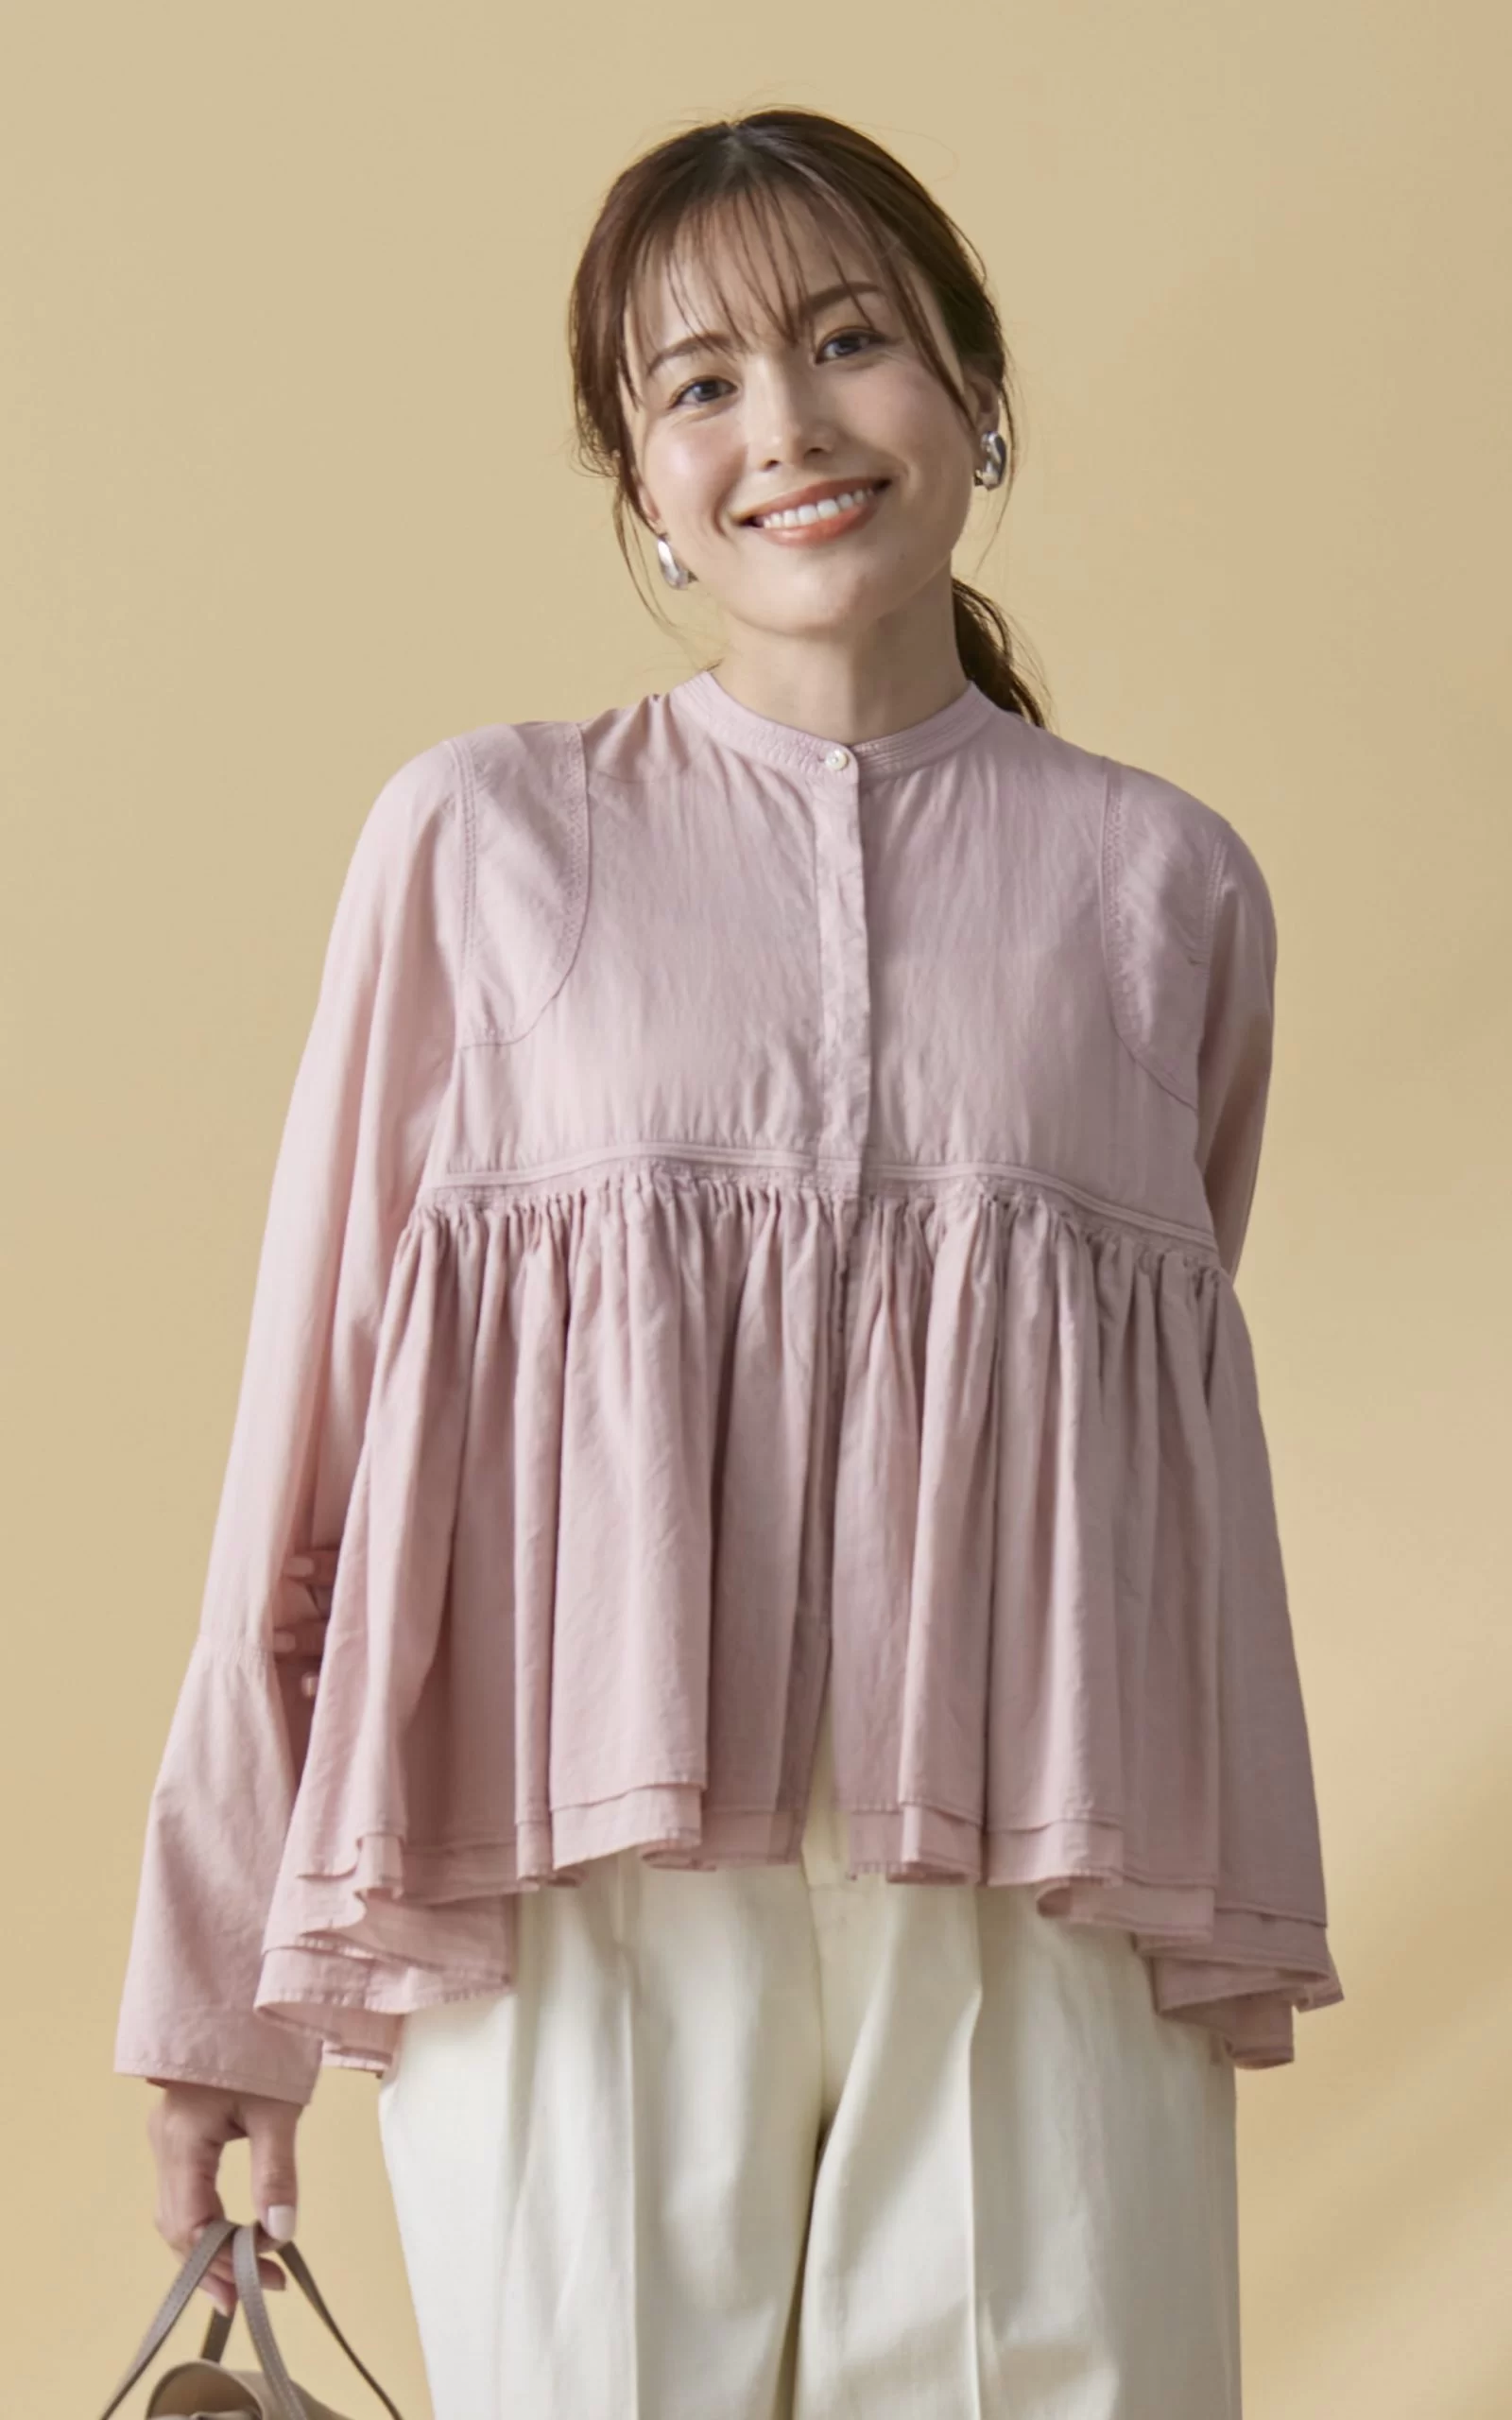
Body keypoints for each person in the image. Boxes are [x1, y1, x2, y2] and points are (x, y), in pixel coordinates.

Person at [115, 105, 1343, 2415]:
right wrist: (217, 1991)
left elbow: (1129, 1443)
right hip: (565, 1862)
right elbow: (312, 1434)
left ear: (974, 387)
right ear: (642, 483)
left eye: (846, 340)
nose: (781, 424)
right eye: (695, 383)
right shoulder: (480, 840)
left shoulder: (1167, 893)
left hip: (1034, 1872)